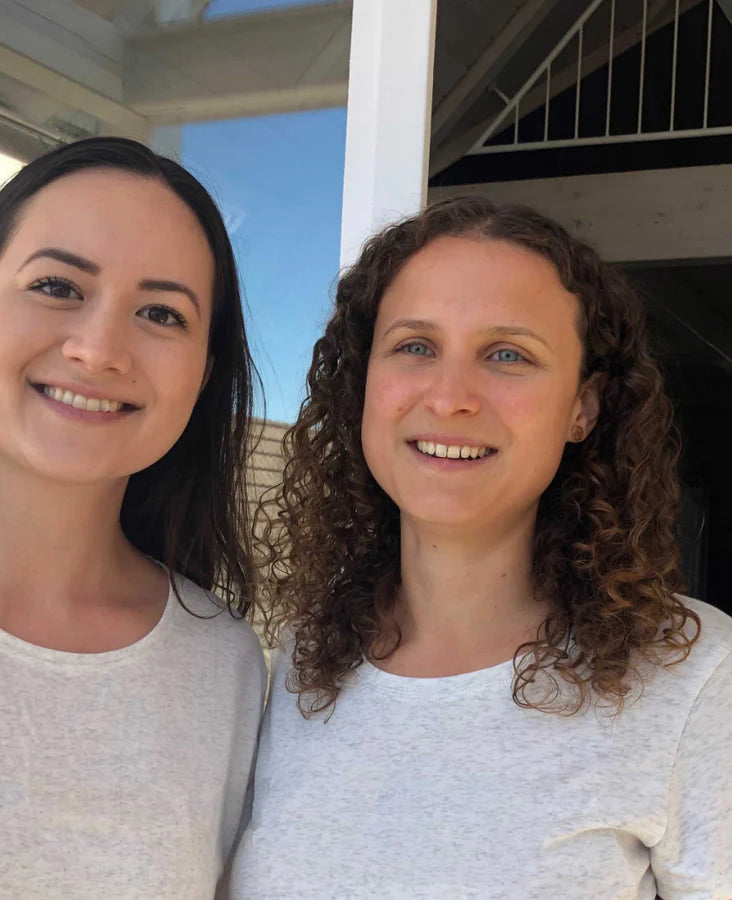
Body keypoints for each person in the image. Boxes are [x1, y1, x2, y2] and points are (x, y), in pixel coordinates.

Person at [228, 197, 732, 899]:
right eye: (415, 346)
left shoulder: (694, 675)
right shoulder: (303, 664)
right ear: (363, 382)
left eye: (507, 354)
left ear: (582, 407)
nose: (451, 395)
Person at [0, 137, 266, 898]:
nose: (99, 348)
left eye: (161, 313)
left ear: (202, 376)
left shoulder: (219, 665)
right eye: (59, 287)